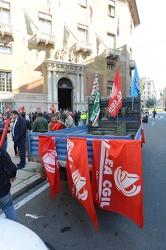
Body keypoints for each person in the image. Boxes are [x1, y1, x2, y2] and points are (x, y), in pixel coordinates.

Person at [0, 146, 18, 222]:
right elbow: (11, 168)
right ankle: (14, 230)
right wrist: (12, 175)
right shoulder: (1, 151)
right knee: (9, 208)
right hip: (2, 189)